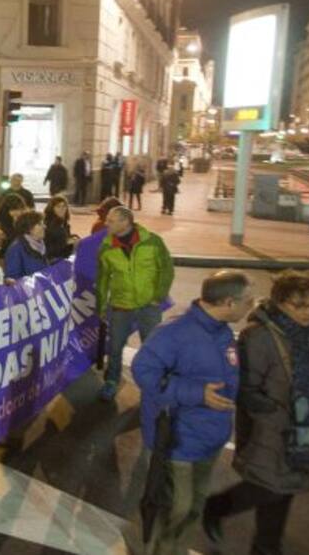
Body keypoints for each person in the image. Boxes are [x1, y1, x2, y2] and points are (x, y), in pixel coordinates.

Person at [202, 272, 309, 555]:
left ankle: (265, 546)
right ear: (279, 303)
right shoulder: (258, 337)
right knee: (273, 486)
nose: (308, 312)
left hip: (308, 426)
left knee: (285, 485)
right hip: (272, 428)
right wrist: (272, 414)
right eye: (299, 305)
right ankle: (219, 508)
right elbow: (247, 388)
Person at [131, 270, 254, 555]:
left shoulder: (222, 331)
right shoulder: (174, 333)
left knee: (194, 507)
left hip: (209, 439)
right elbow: (144, 371)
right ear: (228, 302)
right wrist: (196, 393)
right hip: (179, 441)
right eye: (248, 301)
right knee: (175, 507)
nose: (253, 306)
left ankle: (175, 549)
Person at [96, 206, 175, 401]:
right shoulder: (106, 247)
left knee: (152, 347)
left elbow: (166, 269)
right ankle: (112, 381)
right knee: (115, 347)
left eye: (111, 220)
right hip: (120, 306)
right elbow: (102, 279)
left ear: (125, 222)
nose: (106, 223)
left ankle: (155, 384)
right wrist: (101, 306)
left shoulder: (153, 242)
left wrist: (158, 296)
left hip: (149, 306)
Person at [5, 210, 48, 279]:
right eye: (40, 224)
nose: (45, 226)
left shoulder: (40, 245)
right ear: (29, 228)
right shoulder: (15, 249)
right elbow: (13, 278)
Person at [43, 196, 76, 261]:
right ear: (52, 208)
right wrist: (65, 242)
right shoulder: (47, 225)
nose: (62, 209)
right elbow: (46, 249)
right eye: (58, 207)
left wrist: (73, 240)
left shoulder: (65, 224)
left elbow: (66, 242)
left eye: (64, 206)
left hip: (64, 257)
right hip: (52, 260)